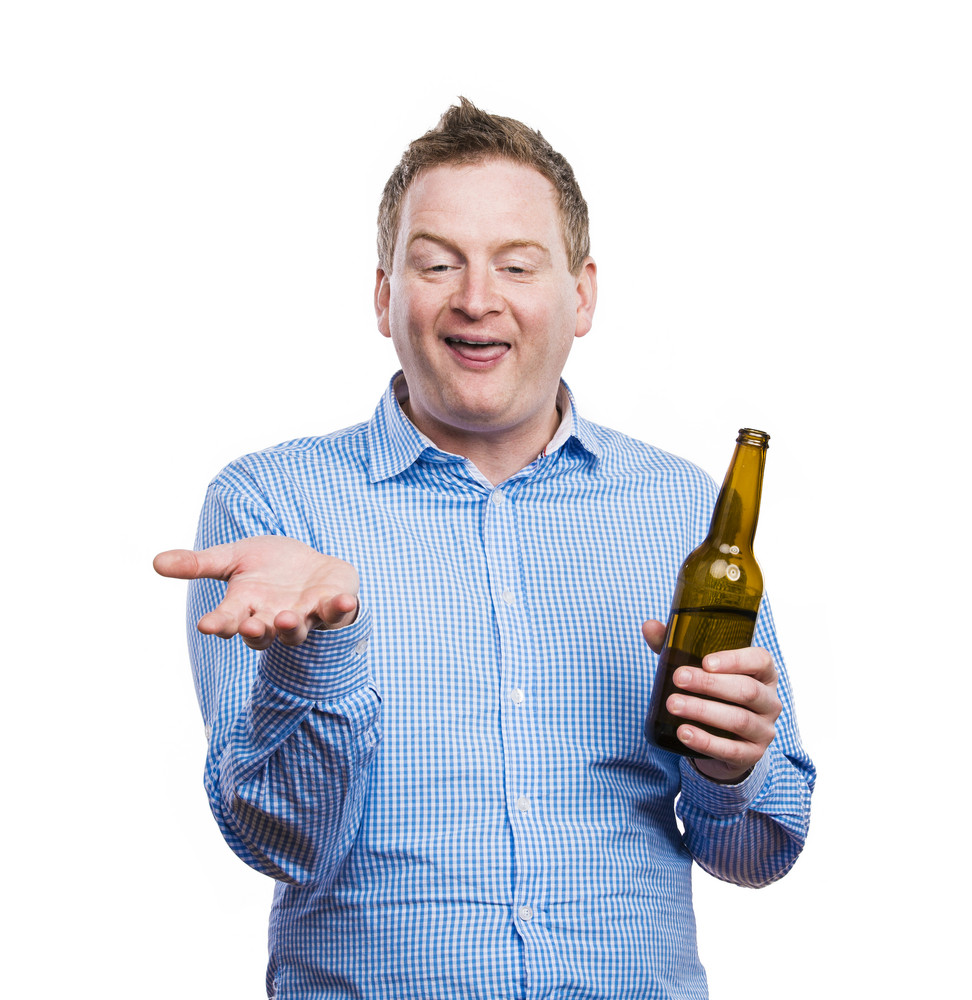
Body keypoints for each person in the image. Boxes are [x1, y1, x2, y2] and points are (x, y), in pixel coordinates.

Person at [155, 98, 814, 999]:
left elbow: (762, 848)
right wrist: (316, 662)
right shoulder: (273, 507)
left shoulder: (679, 510)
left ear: (581, 294)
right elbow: (280, 840)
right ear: (385, 294)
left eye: (516, 263)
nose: (476, 299)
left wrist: (732, 766)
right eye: (436, 263)